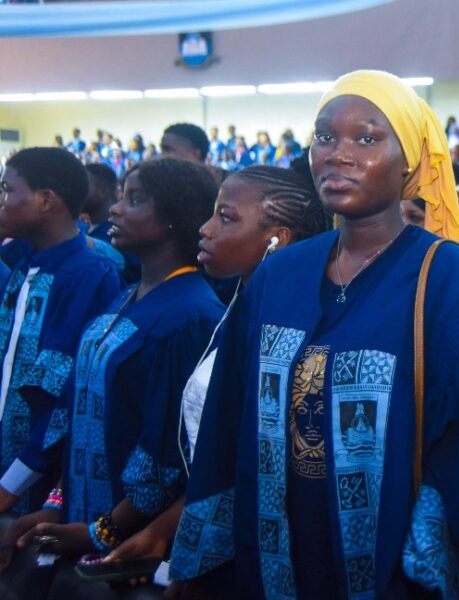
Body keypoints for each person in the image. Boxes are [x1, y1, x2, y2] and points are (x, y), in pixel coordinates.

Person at [170, 70, 459, 599]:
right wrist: (200, 567)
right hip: (272, 559)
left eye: (368, 138)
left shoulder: (457, 290)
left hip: (390, 568)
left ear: (410, 162)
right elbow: (225, 425)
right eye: (325, 136)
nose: (337, 153)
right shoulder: (278, 276)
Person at [91, 166, 330, 593]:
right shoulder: (240, 312)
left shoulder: (286, 335)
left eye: (226, 217)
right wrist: (164, 534)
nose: (205, 228)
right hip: (210, 541)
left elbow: (251, 473)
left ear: (278, 238)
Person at [0, 158, 223, 598]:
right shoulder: (127, 296)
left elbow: (164, 454)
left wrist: (101, 531)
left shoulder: (191, 315)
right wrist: (55, 506)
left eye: (134, 200)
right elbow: (76, 413)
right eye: (120, 196)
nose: (116, 210)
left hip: (129, 547)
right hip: (82, 521)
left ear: (174, 218)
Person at [0, 148, 122, 520]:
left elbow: (60, 398)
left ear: (45, 200)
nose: (2, 201)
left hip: (32, 483)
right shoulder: (26, 262)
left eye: (7, 190)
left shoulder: (88, 274)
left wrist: (9, 487)